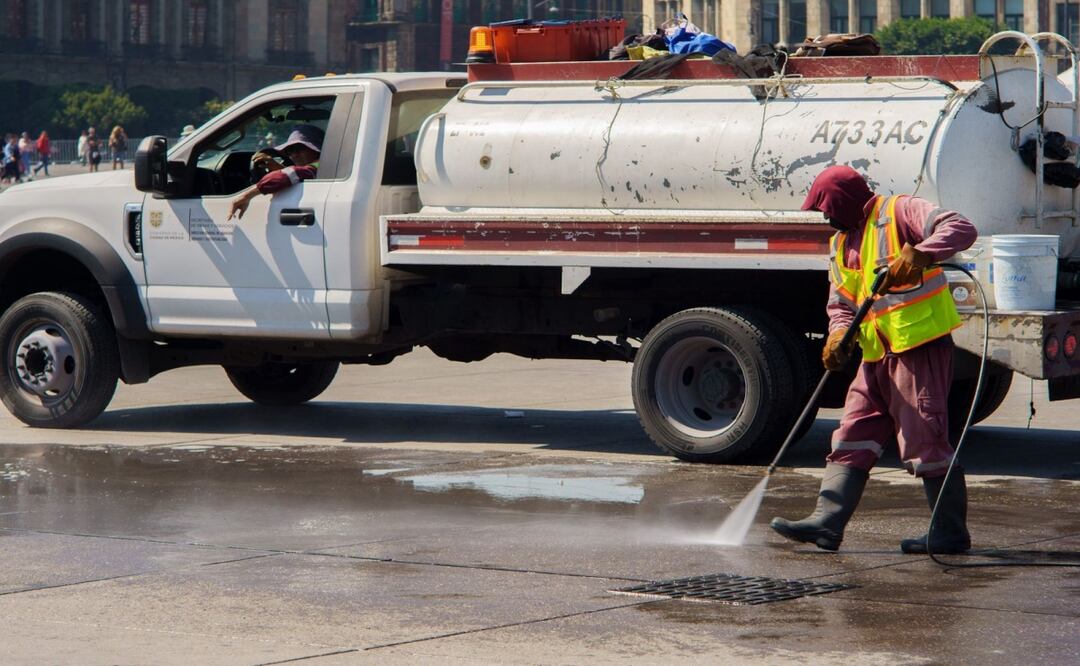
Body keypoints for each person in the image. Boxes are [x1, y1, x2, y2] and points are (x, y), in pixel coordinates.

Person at [769, 165, 978, 554]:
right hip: (875, 353)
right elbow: (842, 301)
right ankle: (827, 523)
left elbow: (961, 228)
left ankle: (950, 533)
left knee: (924, 439)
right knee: (852, 434)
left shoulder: (899, 212)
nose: (827, 218)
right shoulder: (840, 242)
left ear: (845, 200)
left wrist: (920, 253)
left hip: (918, 348)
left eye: (828, 209)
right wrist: (837, 337)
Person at [228, 124, 323, 220]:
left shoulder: (319, 166)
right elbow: (297, 175)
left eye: (300, 148)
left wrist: (246, 195)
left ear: (316, 148)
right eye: (289, 150)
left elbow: (293, 174)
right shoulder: (322, 168)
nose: (294, 154)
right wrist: (279, 168)